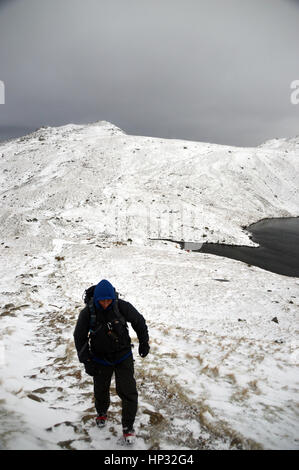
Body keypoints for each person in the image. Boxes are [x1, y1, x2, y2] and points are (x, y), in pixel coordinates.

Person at [73, 279, 150, 443]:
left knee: (128, 391)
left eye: (109, 300)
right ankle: (101, 412)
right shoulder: (88, 312)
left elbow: (139, 321)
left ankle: (128, 427)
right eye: (103, 300)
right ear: (96, 299)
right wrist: (87, 360)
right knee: (100, 389)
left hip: (123, 356)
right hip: (100, 358)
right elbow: (79, 337)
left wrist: (144, 342)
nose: (106, 303)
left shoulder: (121, 306)